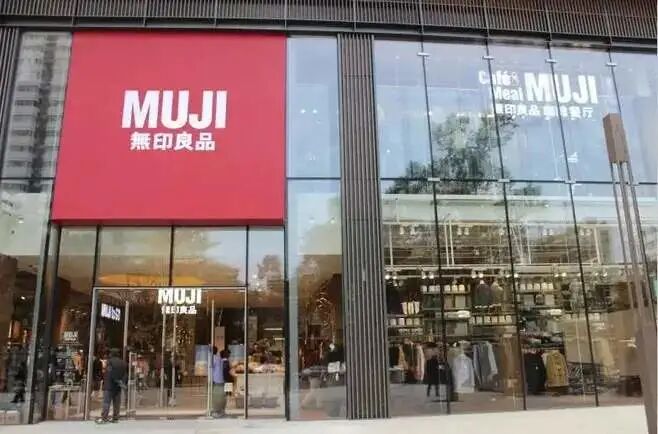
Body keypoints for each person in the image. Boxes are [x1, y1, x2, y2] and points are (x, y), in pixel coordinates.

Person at [96, 348, 127, 424]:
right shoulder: (123, 362)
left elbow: (110, 372)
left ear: (112, 354)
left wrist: (114, 379)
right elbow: (125, 374)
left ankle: (104, 418)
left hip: (109, 385)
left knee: (106, 403)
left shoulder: (109, 362)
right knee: (116, 403)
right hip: (118, 386)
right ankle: (115, 418)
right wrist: (121, 382)